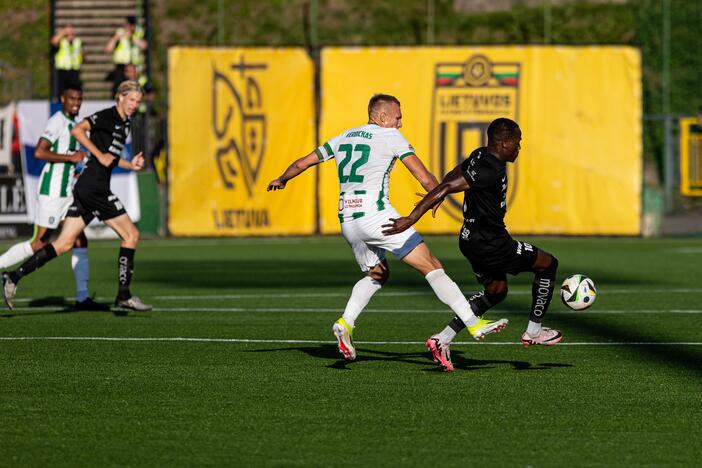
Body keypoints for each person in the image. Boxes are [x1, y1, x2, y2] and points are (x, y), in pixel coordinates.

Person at [267, 94, 508, 361]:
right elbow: (424, 176)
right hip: (377, 217)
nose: (400, 123)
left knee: (378, 274)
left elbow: (302, 162)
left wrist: (282, 178)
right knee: (431, 265)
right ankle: (472, 322)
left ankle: (345, 323)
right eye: (398, 117)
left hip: (348, 221)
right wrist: (437, 196)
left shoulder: (344, 136)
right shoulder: (390, 136)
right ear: (382, 117)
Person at [382, 118, 562, 372]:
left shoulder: (481, 155)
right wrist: (413, 217)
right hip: (493, 243)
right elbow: (448, 184)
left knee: (496, 292)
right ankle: (534, 331)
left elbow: (456, 174)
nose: (519, 148)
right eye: (517, 143)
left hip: (470, 240)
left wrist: (439, 192)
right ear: (504, 142)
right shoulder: (489, 169)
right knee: (548, 264)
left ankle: (442, 338)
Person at [2, 81, 151, 312]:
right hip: (94, 188)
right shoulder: (107, 116)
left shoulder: (126, 122)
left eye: (138, 102)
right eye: (131, 99)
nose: (134, 105)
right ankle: (123, 294)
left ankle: (14, 276)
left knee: (63, 244)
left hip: (85, 188)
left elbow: (109, 157)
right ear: (120, 97)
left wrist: (129, 164)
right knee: (131, 234)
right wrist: (98, 154)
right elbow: (77, 130)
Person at [0, 84, 106, 310]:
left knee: (79, 239)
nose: (76, 103)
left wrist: (75, 166)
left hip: (66, 192)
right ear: (62, 99)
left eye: (79, 99)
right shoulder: (57, 121)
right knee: (38, 243)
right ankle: (8, 274)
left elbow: (70, 157)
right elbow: (40, 151)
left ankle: (82, 297)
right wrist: (71, 159)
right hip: (51, 192)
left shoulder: (73, 125)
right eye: (72, 99)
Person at [105, 16, 147, 96]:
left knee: (134, 89)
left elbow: (144, 46)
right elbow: (108, 48)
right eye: (129, 25)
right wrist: (116, 37)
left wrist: (132, 38)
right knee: (118, 89)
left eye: (133, 25)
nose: (131, 27)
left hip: (134, 66)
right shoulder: (119, 33)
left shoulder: (139, 33)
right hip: (121, 66)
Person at [51, 24, 82, 101]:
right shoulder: (61, 41)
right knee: (61, 91)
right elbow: (53, 41)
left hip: (74, 70)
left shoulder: (77, 41)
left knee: (74, 91)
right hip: (62, 70)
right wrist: (63, 33)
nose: (70, 34)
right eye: (68, 32)